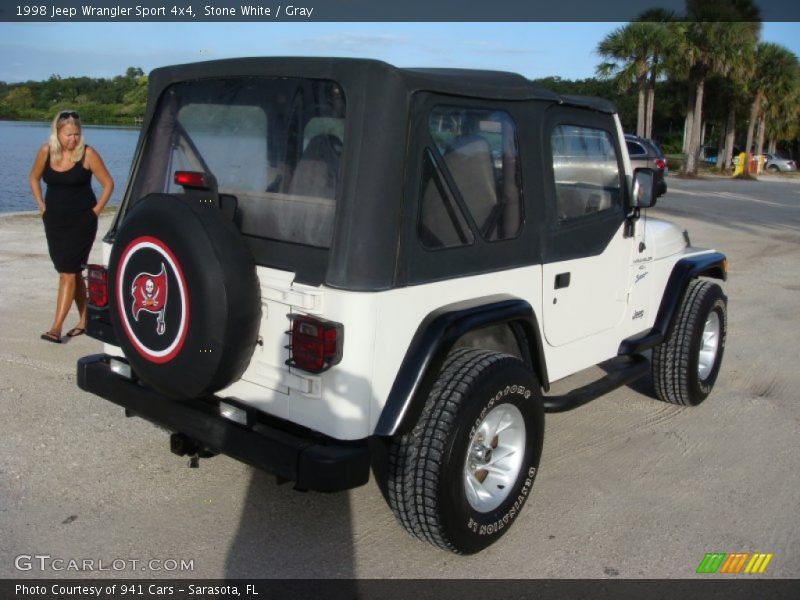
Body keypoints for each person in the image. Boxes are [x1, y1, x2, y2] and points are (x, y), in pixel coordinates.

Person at [29, 110, 114, 343]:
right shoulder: (45, 152)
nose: (73, 139)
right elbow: (33, 178)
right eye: (68, 134)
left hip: (81, 223)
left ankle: (55, 328)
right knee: (71, 271)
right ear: (57, 133)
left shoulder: (87, 154)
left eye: (76, 134)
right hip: (54, 222)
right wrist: (41, 207)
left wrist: (95, 212)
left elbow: (108, 184)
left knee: (67, 273)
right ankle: (86, 320)